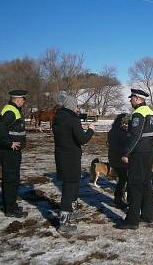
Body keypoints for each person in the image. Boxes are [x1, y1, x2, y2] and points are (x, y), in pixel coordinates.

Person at [52, 93, 95, 233]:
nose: (78, 108)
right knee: (69, 188)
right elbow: (82, 139)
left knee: (73, 184)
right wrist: (91, 130)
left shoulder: (58, 117)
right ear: (71, 106)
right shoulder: (72, 119)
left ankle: (72, 211)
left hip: (62, 156)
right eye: (77, 105)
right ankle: (63, 222)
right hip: (70, 158)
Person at [116, 89, 153, 230]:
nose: (130, 100)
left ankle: (132, 221)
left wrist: (126, 153)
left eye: (132, 98)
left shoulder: (138, 114)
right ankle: (147, 215)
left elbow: (136, 135)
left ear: (138, 98)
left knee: (134, 184)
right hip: (150, 152)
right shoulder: (151, 112)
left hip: (139, 153)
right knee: (146, 183)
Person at [0, 89, 28, 218]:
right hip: (9, 152)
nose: (24, 101)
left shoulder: (14, 109)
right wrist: (9, 143)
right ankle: (10, 209)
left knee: (14, 179)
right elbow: (0, 128)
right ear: (17, 99)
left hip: (13, 152)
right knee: (10, 180)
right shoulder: (11, 111)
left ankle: (12, 205)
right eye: (23, 99)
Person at [107, 113, 129, 210]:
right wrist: (126, 153)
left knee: (123, 179)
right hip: (118, 159)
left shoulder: (119, 131)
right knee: (123, 179)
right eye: (124, 123)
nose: (125, 125)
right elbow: (114, 146)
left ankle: (119, 198)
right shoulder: (115, 132)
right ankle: (118, 199)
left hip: (118, 158)